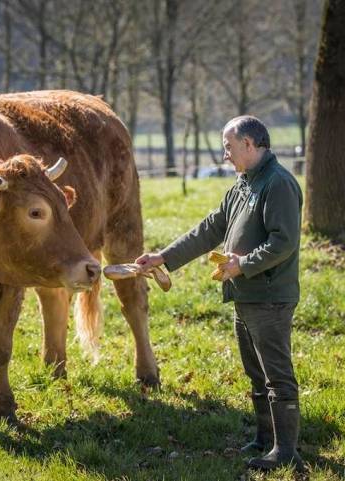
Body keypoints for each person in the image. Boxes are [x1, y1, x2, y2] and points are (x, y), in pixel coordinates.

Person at [136, 116, 305, 472]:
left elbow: (284, 242)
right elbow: (209, 229)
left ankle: (286, 452)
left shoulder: (278, 184)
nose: (224, 155)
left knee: (277, 374)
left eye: (228, 147)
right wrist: (163, 257)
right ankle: (264, 439)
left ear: (249, 144)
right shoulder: (242, 185)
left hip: (270, 296)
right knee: (255, 374)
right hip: (244, 295)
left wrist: (242, 264)